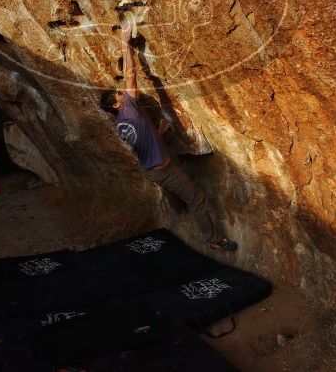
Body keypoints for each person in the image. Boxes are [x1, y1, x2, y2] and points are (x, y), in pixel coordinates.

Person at [100, 25, 237, 252]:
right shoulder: (131, 110)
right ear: (116, 105)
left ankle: (175, 208)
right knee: (196, 199)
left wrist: (159, 134)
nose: (123, 92)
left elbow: (142, 143)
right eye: (119, 94)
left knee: (169, 187)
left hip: (151, 169)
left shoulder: (122, 124)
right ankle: (214, 241)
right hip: (165, 169)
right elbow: (131, 76)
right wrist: (125, 42)